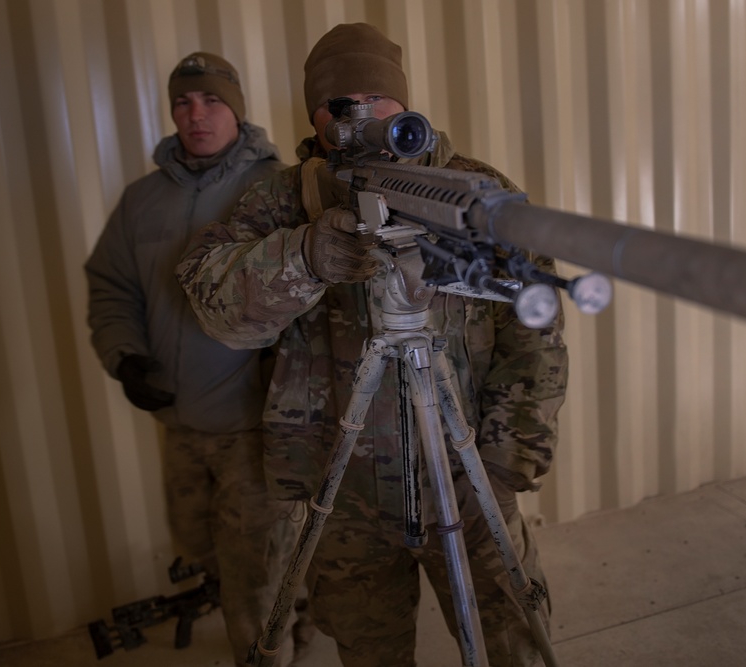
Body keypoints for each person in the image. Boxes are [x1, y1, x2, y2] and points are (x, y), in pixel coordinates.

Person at [176, 24, 568, 667]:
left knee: (512, 635)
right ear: (315, 116)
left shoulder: (474, 190)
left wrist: (504, 463)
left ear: (405, 105)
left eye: (375, 98)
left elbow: (538, 334)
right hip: (344, 489)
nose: (359, 116)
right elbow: (214, 305)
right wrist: (304, 256)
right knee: (368, 650)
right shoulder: (288, 197)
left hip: (467, 479)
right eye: (338, 104)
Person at [84, 52, 305, 666]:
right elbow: (111, 288)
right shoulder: (141, 201)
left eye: (211, 100)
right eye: (183, 101)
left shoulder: (277, 189)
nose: (196, 113)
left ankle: (272, 649)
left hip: (252, 426)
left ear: (236, 108)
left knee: (252, 573)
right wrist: (124, 357)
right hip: (179, 423)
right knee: (201, 549)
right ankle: (303, 611)